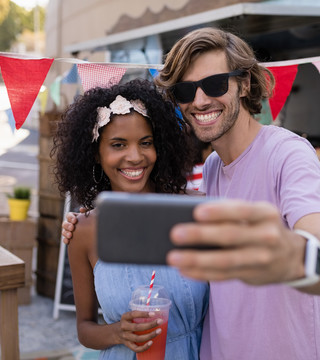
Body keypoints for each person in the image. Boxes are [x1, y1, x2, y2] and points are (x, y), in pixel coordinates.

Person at [63, 28, 320, 359]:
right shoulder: (214, 169)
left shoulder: (288, 155)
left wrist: (293, 255)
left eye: (216, 84)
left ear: (245, 83)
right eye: (187, 90)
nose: (200, 100)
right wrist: (86, 218)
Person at [52, 78, 209, 359]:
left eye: (145, 142)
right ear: (96, 154)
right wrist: (117, 333)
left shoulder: (194, 211)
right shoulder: (84, 231)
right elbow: (85, 330)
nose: (135, 156)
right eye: (118, 144)